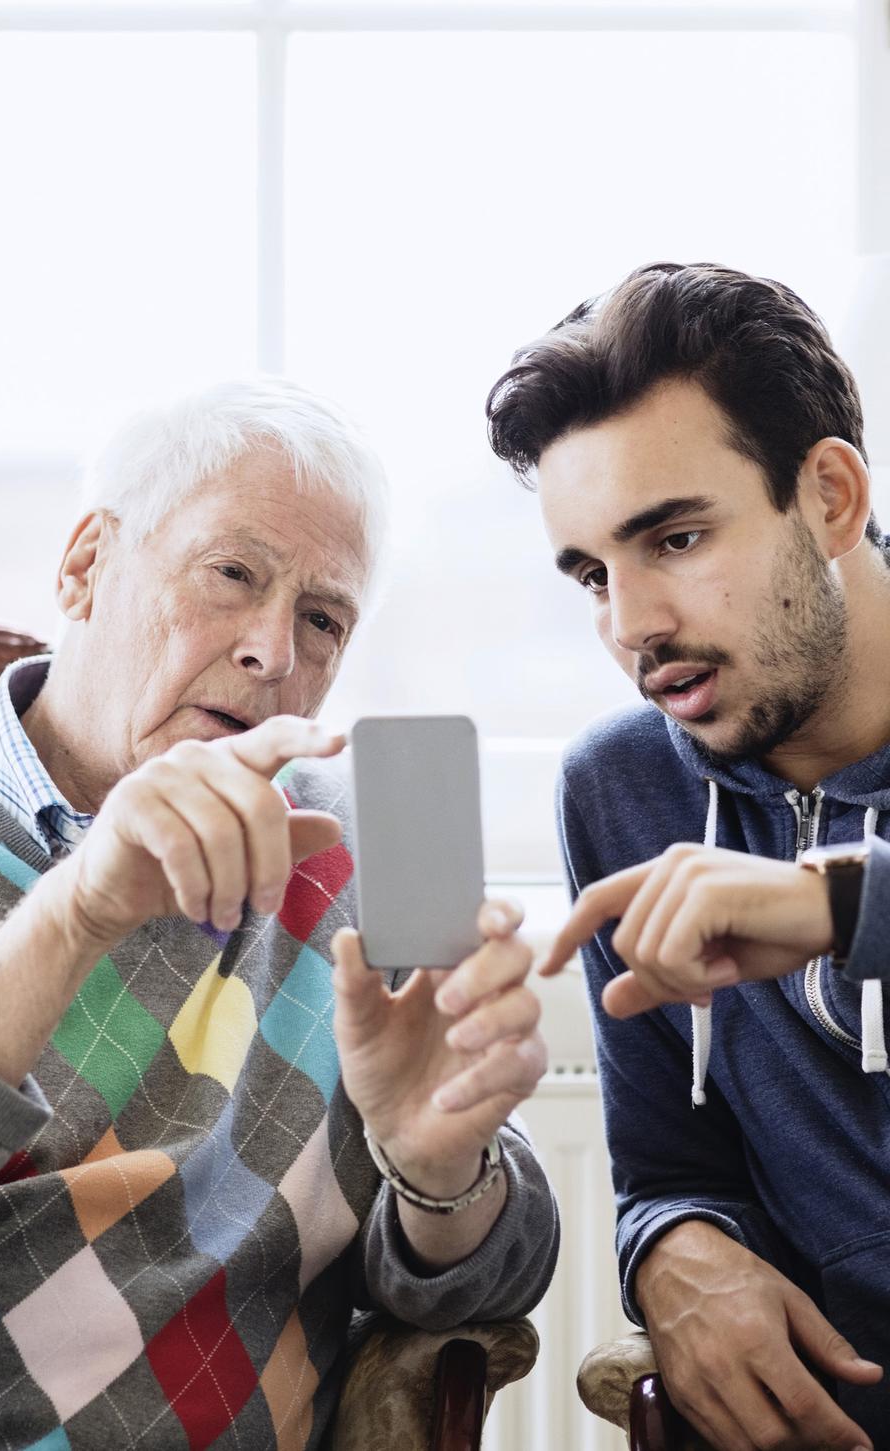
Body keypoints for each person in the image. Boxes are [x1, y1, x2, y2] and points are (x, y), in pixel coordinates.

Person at [0, 378, 557, 1450]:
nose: (273, 650)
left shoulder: (357, 853)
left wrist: (438, 1170)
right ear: (87, 563)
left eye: (322, 619)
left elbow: (494, 1279)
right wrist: (82, 906)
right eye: (232, 574)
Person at [486, 263, 890, 1451]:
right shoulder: (622, 788)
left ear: (827, 495)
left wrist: (839, 900)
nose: (630, 624)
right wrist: (666, 1242)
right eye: (593, 573)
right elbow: (668, 1156)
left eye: (673, 536)